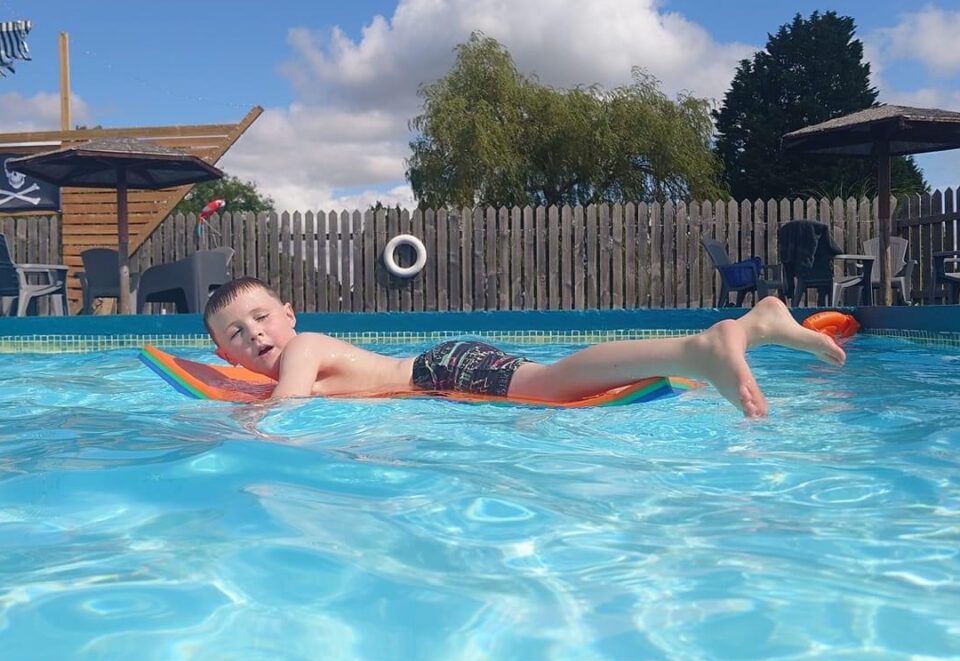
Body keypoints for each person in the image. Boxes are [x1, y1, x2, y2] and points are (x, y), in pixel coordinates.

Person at [203, 277, 846, 417]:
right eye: (236, 334)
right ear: (227, 357)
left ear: (290, 316)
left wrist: (229, 421)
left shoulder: (303, 347)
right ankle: (760, 324)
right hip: (443, 367)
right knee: (551, 378)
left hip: (439, 369)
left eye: (262, 317)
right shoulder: (289, 352)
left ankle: (700, 347)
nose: (254, 334)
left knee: (552, 383)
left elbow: (287, 411)